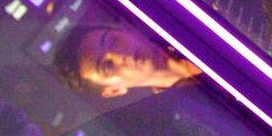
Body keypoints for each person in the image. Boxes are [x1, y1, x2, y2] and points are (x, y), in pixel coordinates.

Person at [54, 25, 201, 98]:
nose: (119, 55)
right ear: (114, 90)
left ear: (121, 30)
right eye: (108, 66)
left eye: (113, 41)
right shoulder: (193, 116)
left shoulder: (184, 22)